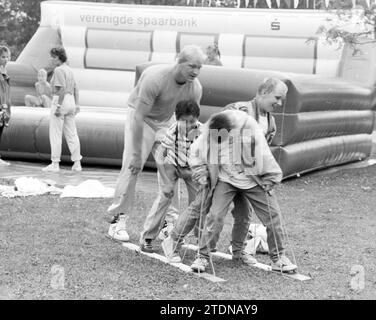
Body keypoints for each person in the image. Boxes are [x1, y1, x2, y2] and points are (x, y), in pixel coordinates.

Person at [162, 77, 287, 263]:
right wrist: (204, 169)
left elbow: (260, 153)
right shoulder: (235, 110)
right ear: (263, 92)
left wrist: (263, 174)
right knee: (201, 207)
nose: (279, 102)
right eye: (277, 97)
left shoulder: (270, 122)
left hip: (247, 178)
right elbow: (212, 137)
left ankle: (238, 250)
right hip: (220, 174)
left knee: (244, 214)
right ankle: (173, 241)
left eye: (282, 99)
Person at [106, 45, 205, 242]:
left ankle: (169, 222)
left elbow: (188, 123)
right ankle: (118, 219)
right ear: (179, 61)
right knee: (132, 167)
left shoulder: (195, 88)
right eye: (191, 66)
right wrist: (135, 154)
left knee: (173, 167)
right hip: (142, 119)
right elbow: (138, 116)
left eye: (199, 67)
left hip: (167, 122)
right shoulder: (155, 79)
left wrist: (189, 153)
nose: (195, 71)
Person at [188, 110, 298, 273]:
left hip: (252, 178)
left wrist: (271, 177)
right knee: (215, 215)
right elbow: (195, 154)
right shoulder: (210, 130)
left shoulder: (250, 129)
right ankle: (203, 256)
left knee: (268, 215)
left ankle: (277, 258)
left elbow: (265, 155)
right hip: (226, 178)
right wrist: (201, 173)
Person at [139, 100, 202, 252]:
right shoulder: (173, 131)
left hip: (190, 167)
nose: (188, 125)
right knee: (165, 198)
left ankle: (197, 237)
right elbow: (160, 154)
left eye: (191, 121)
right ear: (176, 118)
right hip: (171, 165)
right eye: (184, 122)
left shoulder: (202, 132)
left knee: (199, 201)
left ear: (197, 119)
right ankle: (147, 237)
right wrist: (167, 182)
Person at [42, 47, 82, 172]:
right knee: (72, 133)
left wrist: (58, 106)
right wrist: (76, 104)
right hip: (71, 101)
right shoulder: (69, 69)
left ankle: (55, 164)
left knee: (55, 133)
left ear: (59, 57)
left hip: (61, 100)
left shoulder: (58, 70)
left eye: (53, 57)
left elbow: (62, 89)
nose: (52, 59)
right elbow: (76, 88)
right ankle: (77, 163)